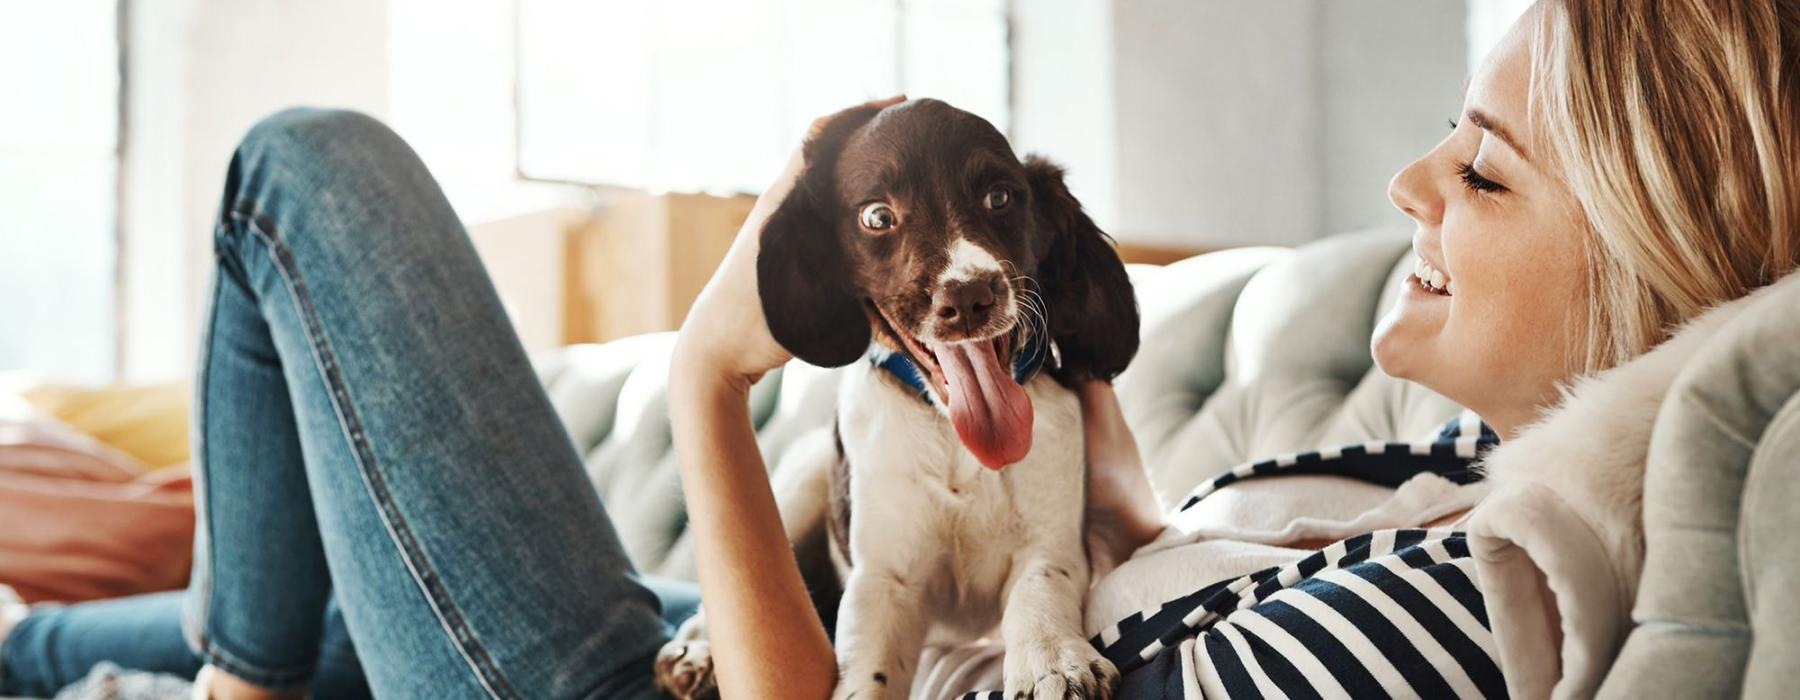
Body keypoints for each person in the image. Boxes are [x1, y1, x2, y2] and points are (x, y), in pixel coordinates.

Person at [2, 0, 1795, 697]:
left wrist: (714, 383)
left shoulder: (1464, 605)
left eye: (1481, 168)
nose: (1407, 176)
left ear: (1653, 266)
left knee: (303, 173)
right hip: (698, 637)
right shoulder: (1410, 483)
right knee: (299, 586)